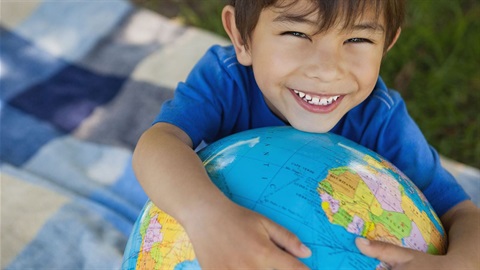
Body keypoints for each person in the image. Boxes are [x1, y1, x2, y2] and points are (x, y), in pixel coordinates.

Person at [133, 0, 480, 269]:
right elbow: (159, 142)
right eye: (298, 34)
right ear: (241, 35)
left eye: (358, 39)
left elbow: (463, 215)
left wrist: (460, 263)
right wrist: (205, 216)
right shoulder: (227, 81)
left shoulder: (381, 119)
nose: (328, 69)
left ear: (386, 44)